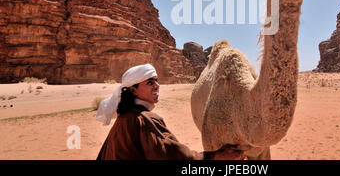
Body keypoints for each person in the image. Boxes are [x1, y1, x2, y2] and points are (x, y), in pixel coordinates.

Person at [96, 64, 243, 160]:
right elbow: (172, 155)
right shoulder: (143, 119)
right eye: (150, 82)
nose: (157, 86)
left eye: (156, 81)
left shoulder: (125, 117)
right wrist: (216, 156)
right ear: (133, 90)